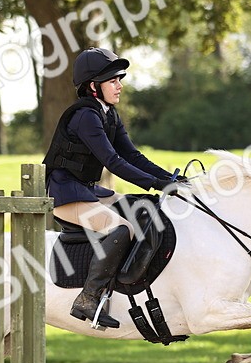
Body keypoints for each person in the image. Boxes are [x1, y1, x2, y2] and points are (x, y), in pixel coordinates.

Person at [42, 47, 178, 328]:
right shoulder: (85, 116)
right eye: (113, 80)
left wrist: (170, 180)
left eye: (120, 79)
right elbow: (113, 162)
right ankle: (88, 299)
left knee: (140, 207)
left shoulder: (109, 114)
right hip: (65, 194)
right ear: (94, 86)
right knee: (121, 229)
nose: (120, 85)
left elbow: (133, 156)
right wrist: (156, 183)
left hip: (87, 191)